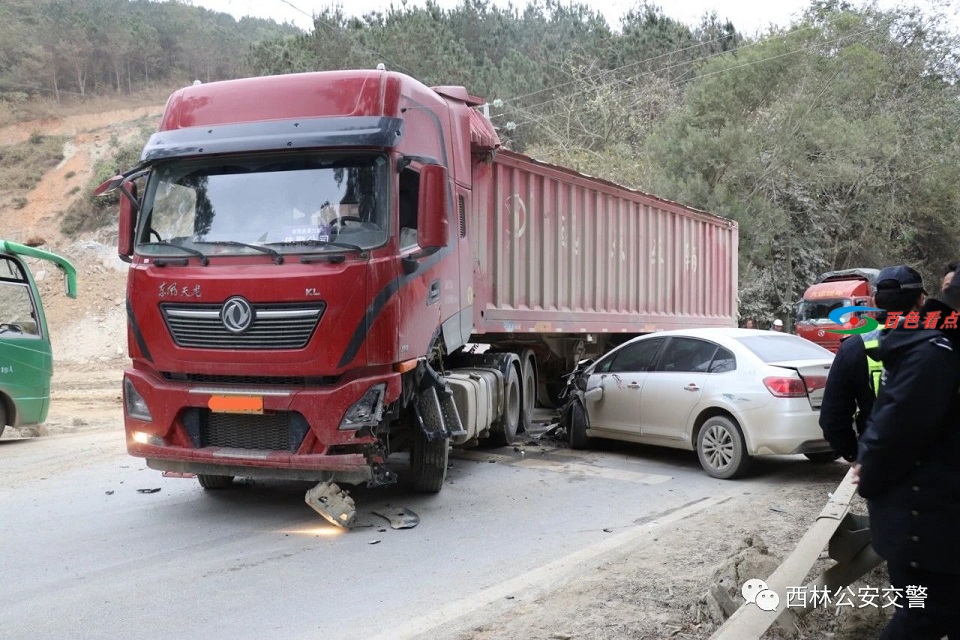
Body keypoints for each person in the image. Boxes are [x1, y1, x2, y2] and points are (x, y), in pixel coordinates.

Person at [855, 262, 960, 638]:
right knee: (924, 617)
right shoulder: (935, 352)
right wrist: (866, 471)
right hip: (924, 519)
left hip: (926, 511)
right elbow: (894, 430)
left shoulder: (922, 344)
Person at [819, 266, 925, 462]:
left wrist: (856, 455)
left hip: (880, 464)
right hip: (936, 467)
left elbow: (832, 420)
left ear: (875, 301)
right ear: (921, 300)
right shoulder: (943, 342)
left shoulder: (853, 347)